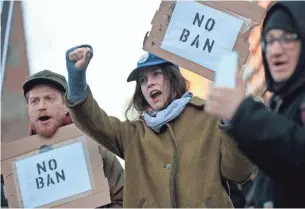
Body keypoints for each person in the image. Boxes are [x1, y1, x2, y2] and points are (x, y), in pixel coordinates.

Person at [63, 47, 254, 207]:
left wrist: (232, 122)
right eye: (143, 80)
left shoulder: (209, 117)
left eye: (156, 74)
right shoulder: (132, 134)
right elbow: (94, 121)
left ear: (173, 77)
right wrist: (77, 80)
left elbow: (238, 173)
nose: (149, 83)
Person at [205, 1, 305, 208]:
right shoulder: (284, 103)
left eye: (288, 38)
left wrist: (242, 112)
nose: (275, 50)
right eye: (269, 40)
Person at [22, 70, 125, 208]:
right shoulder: (18, 165)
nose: (41, 106)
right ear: (28, 109)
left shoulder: (95, 148)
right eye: (34, 101)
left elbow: (124, 200)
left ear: (65, 105)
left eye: (49, 98)